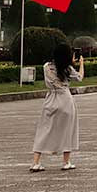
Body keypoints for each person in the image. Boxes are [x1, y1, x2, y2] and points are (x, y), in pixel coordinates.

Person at [31, 43, 82, 172]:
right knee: (67, 130)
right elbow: (79, 78)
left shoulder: (46, 67)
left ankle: (36, 162)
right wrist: (81, 64)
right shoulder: (68, 69)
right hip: (65, 99)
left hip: (50, 98)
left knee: (44, 129)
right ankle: (66, 161)